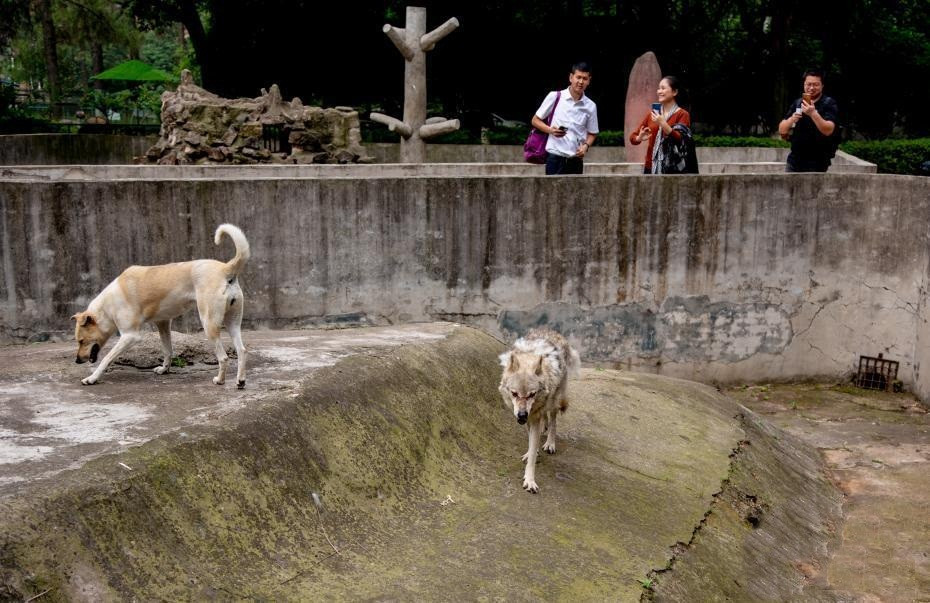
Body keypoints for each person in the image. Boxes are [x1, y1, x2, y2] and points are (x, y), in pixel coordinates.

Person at [531, 62, 599, 175]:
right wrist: (551, 130)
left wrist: (585, 146)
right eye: (578, 77)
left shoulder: (591, 106)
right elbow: (535, 120)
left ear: (589, 81)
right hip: (554, 158)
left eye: (585, 78)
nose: (581, 82)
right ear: (571, 77)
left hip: (576, 160)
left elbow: (593, 133)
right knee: (552, 187)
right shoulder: (555, 96)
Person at [777, 70, 839, 172]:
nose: (811, 88)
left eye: (816, 85)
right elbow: (781, 130)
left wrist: (813, 113)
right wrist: (792, 119)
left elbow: (828, 130)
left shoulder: (829, 103)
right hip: (794, 161)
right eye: (808, 84)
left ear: (822, 86)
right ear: (804, 85)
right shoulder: (798, 103)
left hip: (818, 162)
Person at [629, 76, 692, 174]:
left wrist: (663, 123)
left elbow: (680, 140)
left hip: (672, 168)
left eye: (663, 88)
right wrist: (639, 138)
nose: (659, 91)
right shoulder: (653, 114)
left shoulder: (682, 114)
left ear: (674, 92)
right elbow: (632, 138)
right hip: (650, 167)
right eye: (658, 88)